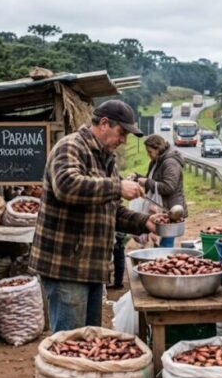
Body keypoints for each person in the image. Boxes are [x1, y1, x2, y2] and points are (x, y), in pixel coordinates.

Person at [30, 99, 165, 332]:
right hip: (66, 267)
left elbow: (112, 211)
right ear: (104, 124)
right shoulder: (70, 146)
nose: (123, 141)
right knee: (70, 341)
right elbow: (66, 186)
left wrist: (145, 222)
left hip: (93, 267)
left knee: (91, 339)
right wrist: (117, 187)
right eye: (121, 133)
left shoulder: (107, 160)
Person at [136, 134, 187, 248]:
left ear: (158, 149)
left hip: (171, 210)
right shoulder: (157, 161)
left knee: (166, 242)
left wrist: (147, 182)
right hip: (160, 207)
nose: (148, 154)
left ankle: (164, 255)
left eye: (150, 151)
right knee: (159, 239)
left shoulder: (170, 163)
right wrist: (137, 177)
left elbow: (168, 187)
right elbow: (153, 180)